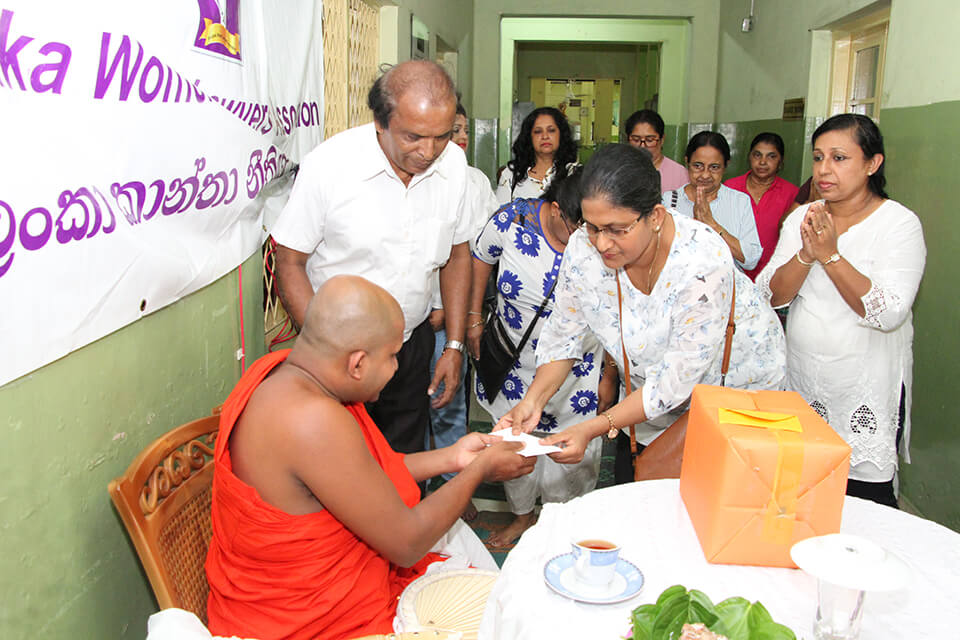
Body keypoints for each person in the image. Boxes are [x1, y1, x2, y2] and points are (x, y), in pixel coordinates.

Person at [205, 276, 535, 640]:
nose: (397, 368)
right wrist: (481, 471)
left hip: (306, 590)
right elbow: (407, 544)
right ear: (357, 364)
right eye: (393, 355)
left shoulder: (284, 374)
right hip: (308, 622)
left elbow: (368, 477)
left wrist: (455, 458)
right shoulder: (313, 421)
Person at [496, 144, 785, 482]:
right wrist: (534, 401)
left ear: (656, 217)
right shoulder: (583, 249)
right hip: (647, 399)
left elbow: (674, 381)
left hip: (734, 396)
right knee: (647, 486)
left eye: (617, 229)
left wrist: (591, 429)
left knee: (718, 502)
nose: (602, 243)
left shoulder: (701, 261)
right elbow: (563, 334)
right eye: (592, 226)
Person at [271, 60, 472, 456]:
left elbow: (457, 255)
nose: (428, 152)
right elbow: (288, 260)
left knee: (402, 464)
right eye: (414, 136)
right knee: (335, 471)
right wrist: (323, 355)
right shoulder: (330, 166)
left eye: (442, 136)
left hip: (410, 347)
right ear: (380, 122)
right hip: (338, 357)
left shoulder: (454, 166)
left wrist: (453, 345)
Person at [756, 114, 926, 508]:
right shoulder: (803, 216)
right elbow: (769, 295)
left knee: (862, 507)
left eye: (839, 157)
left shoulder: (898, 224)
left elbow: (888, 313)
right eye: (818, 157)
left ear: (872, 163)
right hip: (804, 382)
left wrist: (830, 255)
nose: (824, 169)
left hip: (864, 388)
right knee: (799, 502)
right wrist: (805, 253)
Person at [467, 172, 604, 546]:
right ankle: (523, 517)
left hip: (578, 368)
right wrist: (474, 316)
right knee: (514, 447)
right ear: (556, 209)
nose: (586, 237)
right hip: (514, 361)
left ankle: (559, 529)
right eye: (578, 226)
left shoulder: (601, 238)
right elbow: (480, 256)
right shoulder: (513, 220)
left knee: (570, 451)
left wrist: (608, 372)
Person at [425, 102, 500, 518]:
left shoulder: (475, 181)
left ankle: (456, 491)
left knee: (448, 405)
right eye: (453, 130)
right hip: (413, 319)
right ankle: (417, 489)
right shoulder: (420, 180)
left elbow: (475, 256)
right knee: (410, 407)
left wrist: (456, 316)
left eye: (464, 130)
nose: (462, 137)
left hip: (450, 317)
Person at [663, 131, 763, 272]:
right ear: (687, 162)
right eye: (697, 166)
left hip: (724, 290)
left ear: (725, 166)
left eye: (714, 167)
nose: (705, 175)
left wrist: (712, 224)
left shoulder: (739, 202)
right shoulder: (669, 201)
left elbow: (750, 260)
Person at [725, 132, 800, 280]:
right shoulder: (730, 187)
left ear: (781, 161)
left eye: (771, 156)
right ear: (749, 157)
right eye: (757, 155)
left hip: (772, 276)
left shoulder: (792, 194)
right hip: (733, 274)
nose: (763, 162)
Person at [495, 106, 578, 204]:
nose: (545, 136)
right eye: (538, 131)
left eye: (551, 130)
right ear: (529, 137)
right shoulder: (511, 174)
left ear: (561, 135)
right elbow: (500, 216)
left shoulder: (574, 174)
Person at [624, 109, 687, 192]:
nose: (642, 146)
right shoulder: (620, 170)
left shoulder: (679, 174)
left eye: (649, 140)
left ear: (662, 139)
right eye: (636, 140)